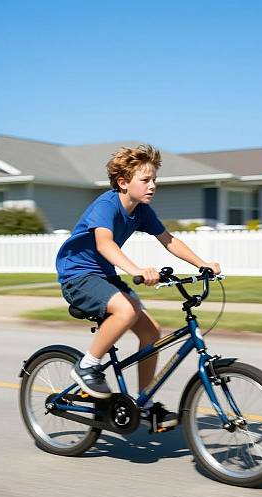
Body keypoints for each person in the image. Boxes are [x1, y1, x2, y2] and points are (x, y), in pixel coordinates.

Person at [56, 144, 221, 429]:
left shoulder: (142, 211)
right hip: (78, 276)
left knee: (150, 332)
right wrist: (136, 270)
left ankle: (143, 403)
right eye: (145, 180)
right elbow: (104, 242)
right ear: (123, 182)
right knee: (125, 310)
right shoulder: (106, 205)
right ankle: (87, 365)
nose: (152, 185)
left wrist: (202, 264)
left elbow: (168, 240)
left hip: (104, 276)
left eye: (154, 179)